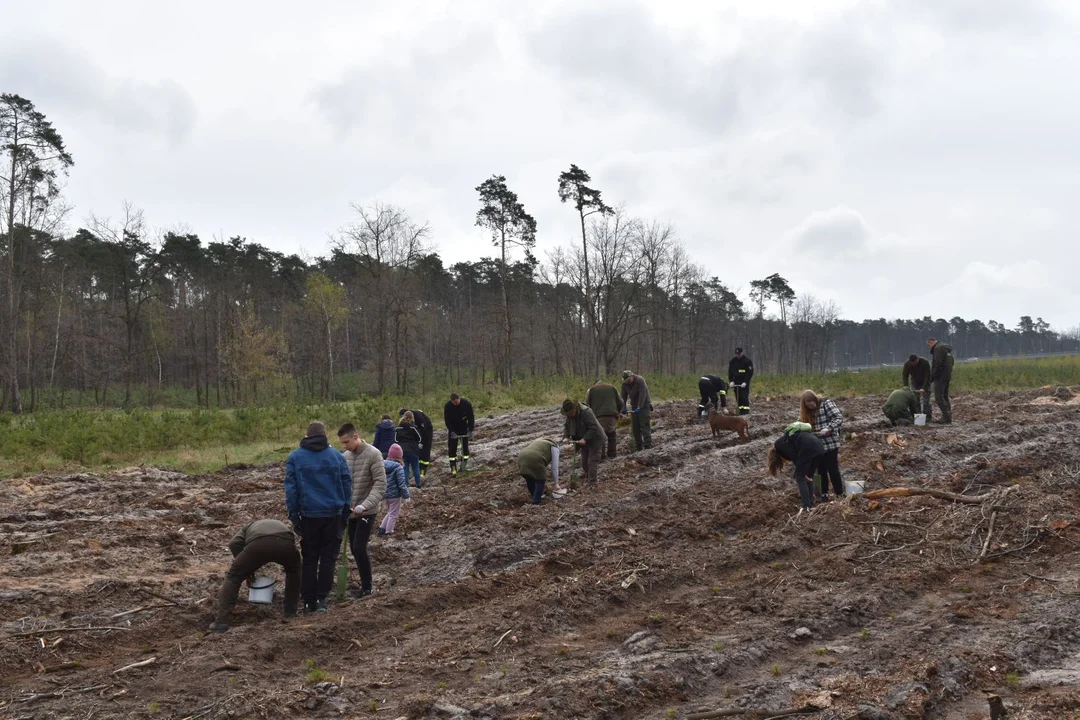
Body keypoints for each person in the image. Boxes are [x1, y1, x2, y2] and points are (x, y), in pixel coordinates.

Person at [284, 421, 352, 613]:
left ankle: (308, 601)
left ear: (307, 436)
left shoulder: (295, 458)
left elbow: (291, 489)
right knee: (328, 558)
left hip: (308, 515)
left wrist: (294, 516)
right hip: (333, 514)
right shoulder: (336, 457)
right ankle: (321, 599)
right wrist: (345, 511)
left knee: (310, 559)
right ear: (324, 436)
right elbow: (347, 484)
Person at [209, 518, 301, 633]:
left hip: (258, 544)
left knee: (233, 577)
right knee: (294, 571)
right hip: (285, 543)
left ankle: (221, 622)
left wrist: (246, 570)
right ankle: (290, 612)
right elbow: (291, 540)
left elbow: (234, 543)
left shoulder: (247, 527)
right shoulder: (278, 524)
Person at [336, 423, 386, 600]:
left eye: (346, 442)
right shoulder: (345, 457)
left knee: (359, 547)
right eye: (342, 443)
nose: (344, 446)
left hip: (367, 511)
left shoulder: (374, 454)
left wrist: (364, 505)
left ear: (356, 437)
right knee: (353, 548)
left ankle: (367, 588)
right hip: (350, 511)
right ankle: (363, 586)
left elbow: (380, 485)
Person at [767, 422, 825, 511]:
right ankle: (810, 503)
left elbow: (794, 456)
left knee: (799, 477)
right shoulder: (788, 440)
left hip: (808, 447)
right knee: (809, 477)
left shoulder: (779, 445)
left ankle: (806, 506)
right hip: (819, 447)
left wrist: (800, 471)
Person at [800, 390, 844, 502]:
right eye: (807, 404)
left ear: (814, 399)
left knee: (833, 469)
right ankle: (823, 494)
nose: (810, 405)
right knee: (821, 471)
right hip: (818, 446)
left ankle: (839, 493)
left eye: (811, 401)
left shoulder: (826, 403)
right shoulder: (807, 412)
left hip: (830, 443)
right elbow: (802, 423)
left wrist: (829, 428)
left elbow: (838, 418)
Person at [561, 398, 606, 485]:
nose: (569, 415)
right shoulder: (570, 415)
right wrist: (566, 437)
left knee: (592, 462)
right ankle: (588, 477)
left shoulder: (586, 412)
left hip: (595, 439)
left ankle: (592, 484)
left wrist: (585, 438)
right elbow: (566, 426)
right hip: (582, 439)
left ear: (575, 408)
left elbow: (594, 427)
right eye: (568, 414)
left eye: (570, 413)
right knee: (584, 462)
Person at [379, 444, 411, 537]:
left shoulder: (382, 464)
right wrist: (407, 496)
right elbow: (402, 484)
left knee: (390, 512)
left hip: (385, 494)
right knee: (393, 515)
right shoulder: (398, 467)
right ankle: (389, 531)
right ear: (400, 456)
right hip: (395, 495)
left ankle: (382, 529)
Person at [516, 438, 561, 505]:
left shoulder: (539, 442)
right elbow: (554, 467)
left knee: (529, 478)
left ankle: (535, 497)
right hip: (535, 457)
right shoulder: (554, 447)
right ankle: (535, 503)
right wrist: (556, 483)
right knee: (540, 480)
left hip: (521, 456)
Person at [585, 379, 621, 459]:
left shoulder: (591, 390)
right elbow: (620, 402)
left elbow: (587, 405)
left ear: (595, 384)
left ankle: (602, 456)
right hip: (612, 415)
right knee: (612, 436)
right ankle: (612, 455)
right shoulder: (612, 388)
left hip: (599, 416)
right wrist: (618, 412)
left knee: (601, 436)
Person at [620, 370, 653, 451]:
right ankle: (638, 448)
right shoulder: (624, 384)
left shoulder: (640, 380)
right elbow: (623, 396)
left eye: (628, 380)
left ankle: (648, 447)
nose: (627, 382)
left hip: (644, 405)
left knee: (644, 426)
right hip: (634, 406)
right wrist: (623, 407)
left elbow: (643, 394)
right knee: (635, 428)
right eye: (625, 381)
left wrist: (639, 406)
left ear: (632, 376)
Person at [443, 393, 475, 475]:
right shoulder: (448, 406)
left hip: (463, 427)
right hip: (453, 429)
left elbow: (471, 418)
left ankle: (463, 466)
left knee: (465, 448)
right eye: (454, 403)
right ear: (451, 401)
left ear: (459, 399)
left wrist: (470, 430)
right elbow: (447, 420)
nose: (455, 404)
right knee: (452, 449)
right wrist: (452, 431)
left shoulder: (466, 404)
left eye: (457, 402)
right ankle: (453, 468)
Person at [399, 408, 434, 477]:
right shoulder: (409, 418)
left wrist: (422, 441)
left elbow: (424, 429)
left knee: (425, 451)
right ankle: (417, 470)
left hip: (427, 431)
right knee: (418, 453)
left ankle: (423, 470)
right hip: (419, 432)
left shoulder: (418, 416)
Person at [927, 337, 954, 424]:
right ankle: (948, 416)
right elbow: (952, 362)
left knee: (939, 397)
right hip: (947, 375)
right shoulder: (946, 349)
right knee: (945, 396)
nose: (929, 348)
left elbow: (937, 364)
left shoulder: (938, 348)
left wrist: (933, 376)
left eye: (929, 345)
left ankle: (946, 417)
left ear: (931, 342)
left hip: (940, 377)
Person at [395, 411, 424, 489]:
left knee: (405, 468)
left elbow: (396, 440)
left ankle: (406, 485)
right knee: (416, 468)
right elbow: (419, 438)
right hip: (413, 449)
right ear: (412, 418)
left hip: (403, 450)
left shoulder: (398, 428)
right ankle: (418, 484)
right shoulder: (413, 428)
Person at [902, 354, 933, 421]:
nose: (914, 364)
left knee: (926, 401)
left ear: (918, 359)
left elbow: (927, 376)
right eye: (912, 363)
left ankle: (927, 417)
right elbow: (905, 376)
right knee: (915, 400)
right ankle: (918, 417)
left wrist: (923, 388)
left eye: (915, 362)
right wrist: (906, 387)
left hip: (925, 381)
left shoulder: (925, 362)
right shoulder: (907, 364)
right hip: (914, 382)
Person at [728, 348, 754, 415]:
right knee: (738, 397)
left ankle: (745, 411)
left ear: (742, 353)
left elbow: (750, 372)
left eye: (739, 354)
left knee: (744, 397)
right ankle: (740, 410)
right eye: (737, 354)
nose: (738, 356)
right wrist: (731, 381)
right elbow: (730, 372)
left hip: (744, 382)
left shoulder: (747, 361)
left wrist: (745, 381)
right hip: (736, 382)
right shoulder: (733, 361)